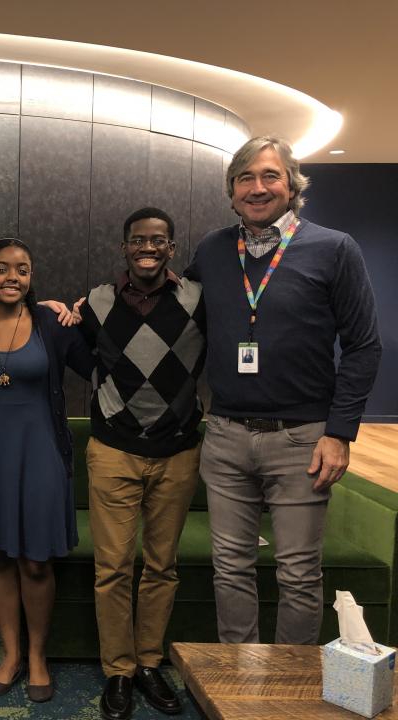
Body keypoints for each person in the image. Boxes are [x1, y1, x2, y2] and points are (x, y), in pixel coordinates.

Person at [187, 136, 381, 647]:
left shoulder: (335, 248)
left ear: (293, 185)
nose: (258, 187)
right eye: (245, 178)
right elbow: (167, 311)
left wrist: (339, 433)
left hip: (303, 440)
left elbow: (363, 346)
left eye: (270, 176)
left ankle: (288, 692)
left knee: (297, 575)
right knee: (230, 570)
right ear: (231, 191)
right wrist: (81, 307)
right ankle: (239, 686)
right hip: (226, 435)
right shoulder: (211, 250)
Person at [80, 208, 206, 720]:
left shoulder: (199, 301)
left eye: (158, 240)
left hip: (177, 452)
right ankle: (118, 669)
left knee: (161, 566)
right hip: (113, 450)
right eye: (138, 240)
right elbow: (72, 349)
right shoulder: (95, 303)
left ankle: (150, 662)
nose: (147, 248)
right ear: (125, 247)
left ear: (172, 248)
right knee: (112, 568)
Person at [0, 237, 93, 704]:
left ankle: (37, 656)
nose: (12, 277)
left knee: (35, 560)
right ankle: (11, 654)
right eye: (1, 269)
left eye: (23, 269)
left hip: (42, 456)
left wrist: (87, 313)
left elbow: (99, 363)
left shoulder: (52, 324)